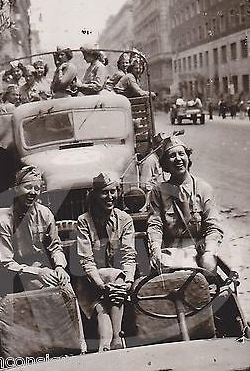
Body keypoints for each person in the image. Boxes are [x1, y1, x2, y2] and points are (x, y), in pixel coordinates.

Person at [76, 172, 137, 352]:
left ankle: (108, 343)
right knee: (103, 298)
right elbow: (86, 260)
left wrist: (128, 282)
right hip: (90, 281)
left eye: (113, 192)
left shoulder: (124, 220)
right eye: (104, 192)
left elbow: (129, 254)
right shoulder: (84, 221)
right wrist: (101, 284)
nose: (110, 197)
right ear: (95, 195)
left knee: (113, 282)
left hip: (117, 282)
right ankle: (116, 339)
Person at [147, 136, 223, 275]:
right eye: (172, 156)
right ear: (165, 164)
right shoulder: (158, 192)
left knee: (211, 283)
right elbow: (155, 225)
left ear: (188, 157)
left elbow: (213, 226)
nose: (178, 159)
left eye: (181, 154)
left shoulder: (203, 188)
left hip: (198, 252)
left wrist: (209, 251)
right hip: (170, 253)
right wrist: (156, 250)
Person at [0, 165, 70, 291]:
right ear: (16, 189)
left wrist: (59, 267)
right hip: (20, 274)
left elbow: (55, 246)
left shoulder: (45, 214)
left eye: (37, 188)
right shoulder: (5, 222)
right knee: (48, 293)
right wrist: (37, 272)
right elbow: (7, 262)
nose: (33, 192)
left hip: (46, 268)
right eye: (28, 187)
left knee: (66, 289)